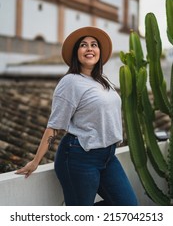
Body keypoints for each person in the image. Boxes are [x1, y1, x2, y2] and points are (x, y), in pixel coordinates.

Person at [16, 26, 138, 206]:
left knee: (129, 207)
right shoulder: (70, 82)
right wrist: (35, 161)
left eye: (94, 44)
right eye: (83, 45)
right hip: (79, 157)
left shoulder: (103, 81)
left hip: (108, 156)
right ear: (76, 53)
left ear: (99, 51)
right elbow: (54, 126)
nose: (90, 48)